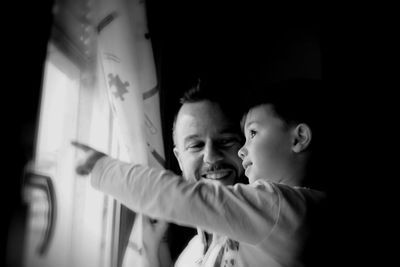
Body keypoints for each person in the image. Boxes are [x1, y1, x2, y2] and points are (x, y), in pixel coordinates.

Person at [73, 78, 328, 266]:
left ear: (299, 138)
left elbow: (189, 198)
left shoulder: (283, 207)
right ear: (179, 159)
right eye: (195, 145)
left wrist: (103, 169)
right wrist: (150, 251)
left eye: (228, 141)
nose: (211, 157)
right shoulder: (192, 254)